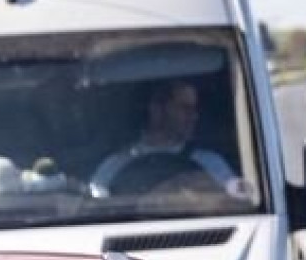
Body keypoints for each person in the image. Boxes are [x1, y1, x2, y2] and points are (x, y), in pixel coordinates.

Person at [89, 79, 238, 197]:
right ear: (156, 110)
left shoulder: (211, 164)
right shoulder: (114, 166)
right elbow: (97, 206)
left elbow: (234, 203)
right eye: (185, 109)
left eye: (194, 109)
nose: (194, 116)